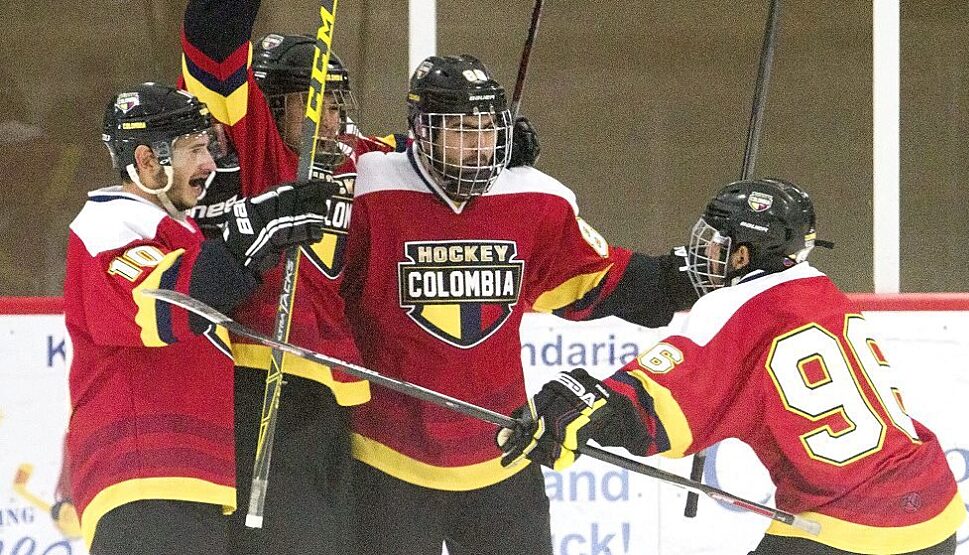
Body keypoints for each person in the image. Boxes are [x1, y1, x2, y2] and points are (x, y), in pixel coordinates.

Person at [339, 54, 698, 555]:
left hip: (503, 451)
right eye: (463, 130)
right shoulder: (368, 188)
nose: (481, 145)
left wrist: (693, 275)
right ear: (422, 130)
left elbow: (601, 280)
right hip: (384, 458)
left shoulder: (534, 198)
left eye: (489, 129)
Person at [499, 178, 965, 555]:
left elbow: (654, 408)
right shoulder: (818, 288)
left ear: (743, 255)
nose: (705, 254)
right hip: (935, 504)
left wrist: (584, 406)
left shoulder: (734, 307)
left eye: (717, 244)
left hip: (850, 526)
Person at [63, 82, 330, 554]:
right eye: (194, 149)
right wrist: (246, 239)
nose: (209, 164)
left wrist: (250, 242)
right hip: (141, 474)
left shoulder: (178, 231)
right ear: (147, 161)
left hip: (193, 477)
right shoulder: (105, 226)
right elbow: (168, 305)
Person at [180, 0, 401, 551]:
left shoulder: (353, 158)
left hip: (338, 393)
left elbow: (420, 154)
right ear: (274, 105)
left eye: (335, 105)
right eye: (312, 103)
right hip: (261, 374)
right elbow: (211, 35)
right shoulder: (257, 145)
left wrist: (502, 143)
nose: (329, 120)